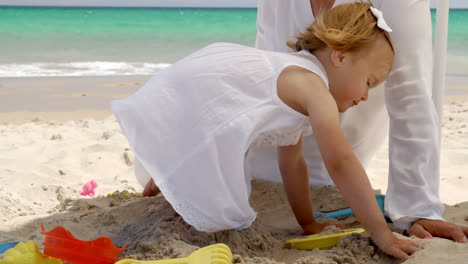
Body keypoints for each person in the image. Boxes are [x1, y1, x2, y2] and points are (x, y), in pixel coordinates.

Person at [113, 3, 419, 259]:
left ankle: (167, 168)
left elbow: (292, 164)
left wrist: (308, 223)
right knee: (221, 213)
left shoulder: (298, 78)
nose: (366, 96)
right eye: (369, 81)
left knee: (203, 152)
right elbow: (341, 162)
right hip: (200, 92)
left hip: (192, 92)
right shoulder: (315, 91)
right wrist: (381, 234)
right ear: (340, 56)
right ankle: (170, 171)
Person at [253, 0, 468, 243]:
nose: (366, 94)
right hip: (270, 164)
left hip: (335, 168)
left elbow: (410, 94)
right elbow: (271, 77)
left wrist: (418, 209)